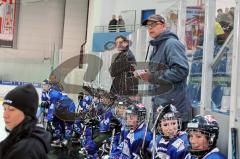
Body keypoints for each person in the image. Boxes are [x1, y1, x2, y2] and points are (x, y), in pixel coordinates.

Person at [139, 14, 191, 129]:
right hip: (162, 108)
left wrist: (152, 77)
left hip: (174, 110)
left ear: (163, 26)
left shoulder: (171, 44)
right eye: (148, 26)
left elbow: (181, 70)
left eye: (153, 24)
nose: (150, 28)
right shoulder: (157, 47)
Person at [0, 84, 51, 159]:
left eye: (11, 109)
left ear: (27, 113)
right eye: (5, 109)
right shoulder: (20, 136)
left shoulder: (26, 151)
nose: (5, 115)